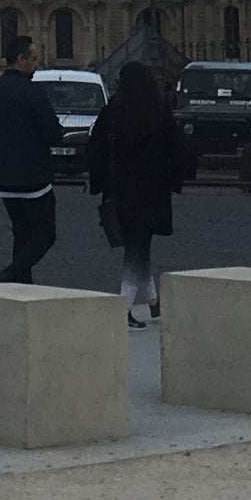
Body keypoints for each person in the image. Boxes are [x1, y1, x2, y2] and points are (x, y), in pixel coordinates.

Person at [85, 59, 191, 323]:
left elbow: (95, 151)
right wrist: (175, 181)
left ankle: (153, 302)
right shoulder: (158, 111)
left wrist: (99, 183)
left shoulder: (112, 112)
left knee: (137, 248)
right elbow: (177, 150)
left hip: (119, 191)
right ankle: (124, 309)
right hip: (152, 191)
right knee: (138, 249)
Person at [0, 32, 61, 284]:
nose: (37, 65)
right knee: (45, 234)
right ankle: (10, 274)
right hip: (34, 177)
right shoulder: (33, 92)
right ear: (21, 59)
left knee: (22, 234)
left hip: (4, 177)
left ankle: (21, 288)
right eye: (34, 59)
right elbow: (53, 133)